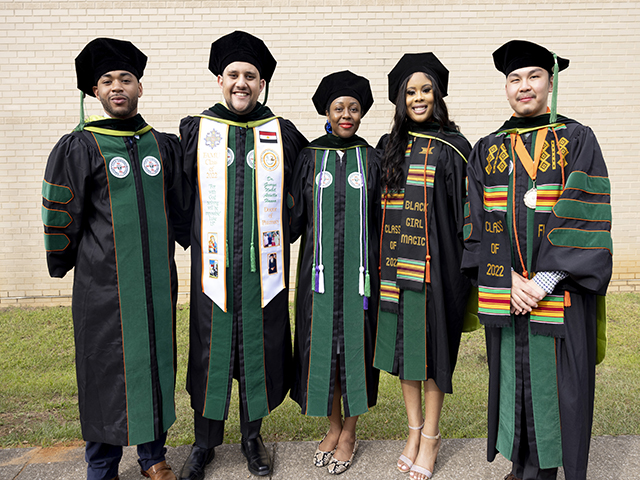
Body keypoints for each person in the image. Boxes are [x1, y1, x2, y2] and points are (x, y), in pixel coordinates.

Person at [461, 40, 613, 480]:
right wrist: (505, 278)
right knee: (513, 378)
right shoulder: (488, 147)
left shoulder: (576, 138)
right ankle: (522, 462)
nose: (523, 87)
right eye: (514, 79)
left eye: (533, 77)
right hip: (506, 291)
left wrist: (544, 280)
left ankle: (548, 467)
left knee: (560, 387)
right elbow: (475, 220)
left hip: (560, 290)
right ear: (505, 88)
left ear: (550, 83)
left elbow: (585, 211)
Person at [42, 38, 188, 480]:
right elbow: (61, 213)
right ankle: (101, 465)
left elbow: (183, 209)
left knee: (157, 364)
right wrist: (64, 260)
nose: (117, 87)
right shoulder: (80, 147)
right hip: (102, 285)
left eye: (126, 78)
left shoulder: (162, 146)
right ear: (95, 92)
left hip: (156, 284)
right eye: (107, 81)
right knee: (103, 368)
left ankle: (152, 457)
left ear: (140, 87)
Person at [178, 31, 307, 479]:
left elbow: (299, 193)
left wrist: (285, 228)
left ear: (262, 83)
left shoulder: (280, 133)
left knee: (260, 350)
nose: (241, 83)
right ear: (219, 79)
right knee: (210, 352)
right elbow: (180, 195)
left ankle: (252, 440)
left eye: (250, 76)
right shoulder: (198, 130)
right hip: (212, 269)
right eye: (233, 74)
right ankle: (203, 444)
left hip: (261, 271)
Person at [373, 53, 472, 480]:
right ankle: (412, 432)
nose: (418, 98)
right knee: (405, 353)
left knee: (432, 355)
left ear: (438, 94)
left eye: (425, 90)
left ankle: (430, 438)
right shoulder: (388, 146)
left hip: (439, 271)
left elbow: (467, 215)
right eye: (410, 92)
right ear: (400, 98)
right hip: (395, 271)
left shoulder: (455, 147)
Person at [289, 70, 381, 475]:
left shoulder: (373, 157)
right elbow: (291, 217)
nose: (346, 115)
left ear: (362, 114)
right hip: (319, 275)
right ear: (326, 111)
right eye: (339, 107)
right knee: (324, 351)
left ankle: (350, 432)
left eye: (354, 108)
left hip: (362, 276)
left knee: (357, 351)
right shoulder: (309, 157)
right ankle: (332, 426)